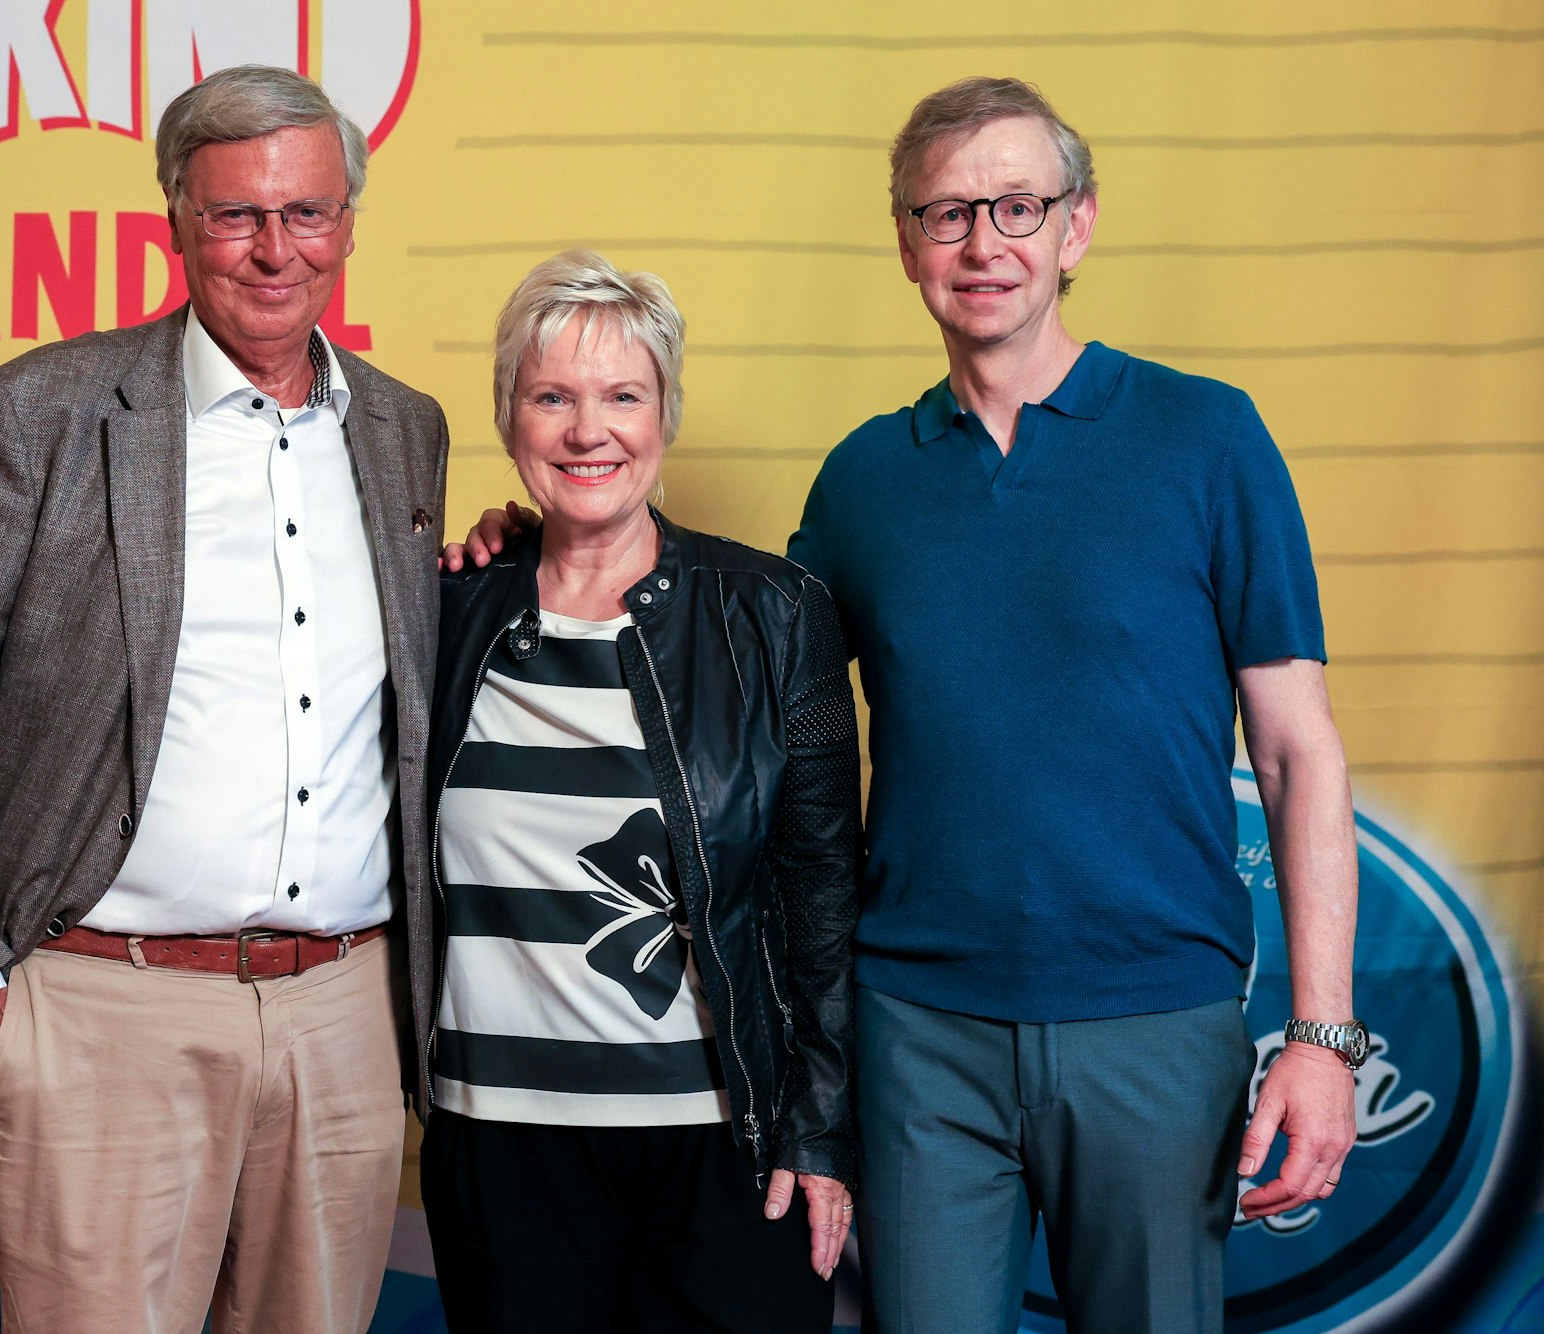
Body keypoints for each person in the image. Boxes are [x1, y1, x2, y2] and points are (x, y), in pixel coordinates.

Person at [448, 79, 1360, 1334]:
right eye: (946, 213)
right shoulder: (865, 479)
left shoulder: (1205, 439)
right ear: (903, 243)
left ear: (1075, 228)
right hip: (916, 1029)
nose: (982, 241)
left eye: (1015, 206)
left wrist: (1319, 1031)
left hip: (1152, 1016)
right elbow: (744, 680)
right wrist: (518, 543)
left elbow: (1299, 754)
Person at [0, 65, 449, 1334]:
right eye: (236, 215)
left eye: (306, 212)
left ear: (348, 220)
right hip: (101, 1007)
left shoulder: (406, 431)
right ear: (176, 219)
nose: (274, 249)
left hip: (344, 1012)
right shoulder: (39, 414)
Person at [421, 250, 860, 1334]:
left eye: (622, 394)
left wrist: (817, 1129)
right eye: (551, 397)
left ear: (665, 411)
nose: (588, 430)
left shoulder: (772, 612)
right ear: (509, 417)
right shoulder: (445, 612)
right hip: (500, 1145)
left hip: (721, 1147)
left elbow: (823, 895)